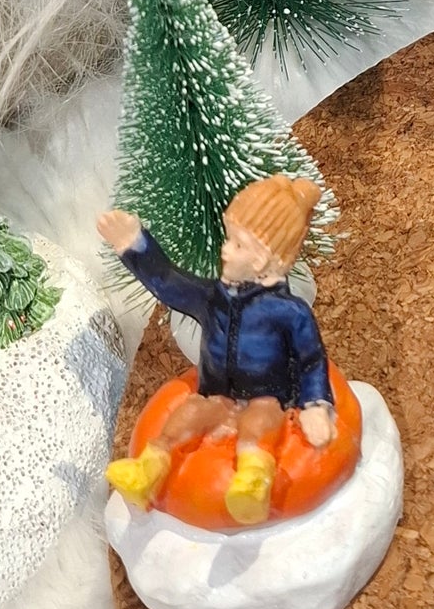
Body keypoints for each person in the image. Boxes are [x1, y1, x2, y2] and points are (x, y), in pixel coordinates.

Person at [99, 176, 333, 526]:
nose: (225, 250)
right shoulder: (214, 298)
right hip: (216, 395)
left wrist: (315, 405)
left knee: (259, 419)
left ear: (262, 260)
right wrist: (135, 245)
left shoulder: (290, 312)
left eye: (237, 244)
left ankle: (253, 482)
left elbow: (311, 361)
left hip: (267, 399)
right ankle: (148, 470)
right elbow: (171, 284)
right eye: (229, 239)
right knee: (189, 413)